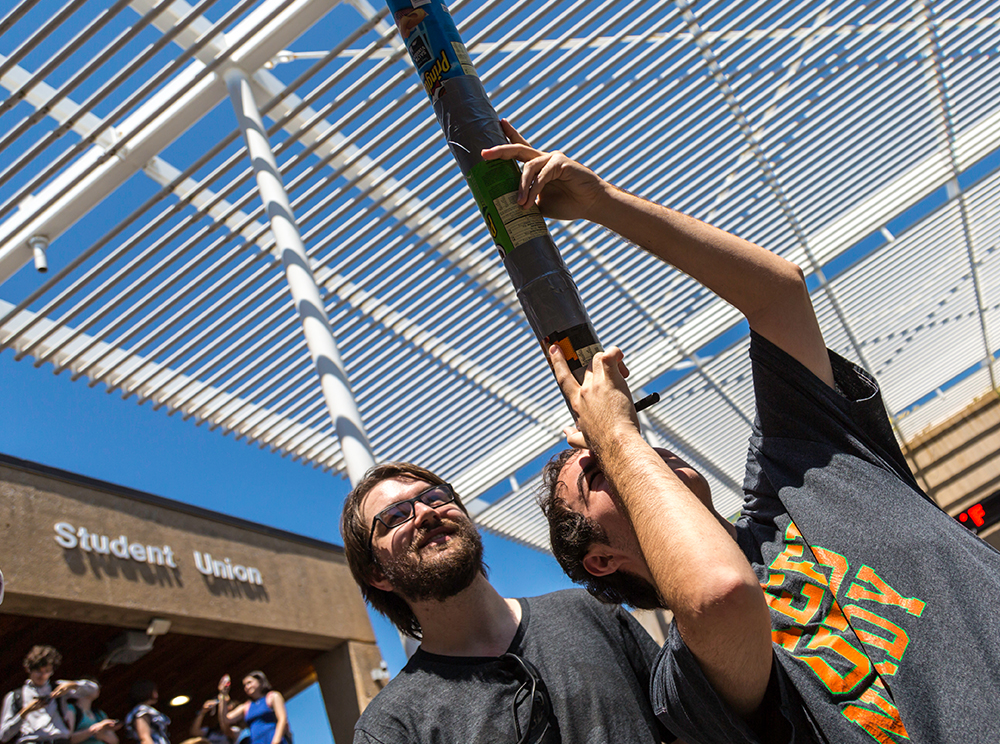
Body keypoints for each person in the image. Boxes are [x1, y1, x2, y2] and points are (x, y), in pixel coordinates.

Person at [482, 124, 1000, 743]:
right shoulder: (682, 682)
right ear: (601, 559)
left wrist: (602, 204)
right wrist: (614, 435)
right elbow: (719, 595)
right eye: (597, 474)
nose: (632, 452)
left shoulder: (798, 473)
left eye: (618, 447)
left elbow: (779, 294)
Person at [341, 460, 678, 744]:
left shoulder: (590, 610)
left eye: (436, 496)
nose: (426, 512)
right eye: (395, 516)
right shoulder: (391, 727)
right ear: (377, 575)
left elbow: (685, 729)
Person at [1, 645, 102, 744]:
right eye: (38, 671)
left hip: (59, 739)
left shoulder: (58, 687)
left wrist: (73, 685)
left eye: (47, 671)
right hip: (31, 741)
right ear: (29, 669)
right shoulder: (15, 696)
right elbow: (3, 735)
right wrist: (25, 712)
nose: (42, 675)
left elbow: (93, 690)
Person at [218, 673, 288, 744]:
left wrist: (276, 741)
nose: (247, 687)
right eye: (245, 685)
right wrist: (222, 696)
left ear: (260, 681)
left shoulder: (272, 696)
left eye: (249, 683)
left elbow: (282, 719)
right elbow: (226, 719)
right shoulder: (246, 706)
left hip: (273, 738)